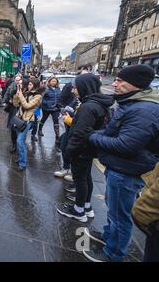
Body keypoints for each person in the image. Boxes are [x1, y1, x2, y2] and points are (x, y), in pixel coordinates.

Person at [84, 65, 159, 262]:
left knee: (120, 215)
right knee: (113, 207)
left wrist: (92, 137)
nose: (114, 84)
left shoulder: (144, 110)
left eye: (119, 81)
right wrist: (99, 134)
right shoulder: (135, 104)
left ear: (135, 84)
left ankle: (113, 253)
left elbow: (126, 144)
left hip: (127, 170)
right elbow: (115, 132)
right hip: (121, 167)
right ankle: (109, 236)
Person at [56, 74, 114, 224]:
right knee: (86, 177)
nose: (73, 91)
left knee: (80, 179)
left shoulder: (88, 107)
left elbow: (80, 133)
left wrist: (70, 150)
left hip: (81, 150)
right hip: (88, 150)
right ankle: (86, 206)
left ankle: (78, 210)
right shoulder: (96, 103)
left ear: (84, 87)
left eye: (76, 88)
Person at [13, 78, 43, 171]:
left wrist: (21, 95)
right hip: (20, 119)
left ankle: (23, 163)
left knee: (20, 140)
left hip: (28, 120)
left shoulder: (38, 96)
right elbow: (16, 104)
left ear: (35, 85)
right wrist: (17, 95)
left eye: (31, 84)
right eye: (28, 84)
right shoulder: (26, 93)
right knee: (20, 140)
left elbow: (27, 106)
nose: (29, 86)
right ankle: (20, 158)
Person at [38, 77, 62, 145]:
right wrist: (46, 103)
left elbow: (59, 98)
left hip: (55, 109)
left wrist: (59, 104)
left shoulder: (58, 89)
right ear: (49, 82)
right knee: (43, 119)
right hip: (47, 108)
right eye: (52, 81)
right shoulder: (46, 89)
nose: (54, 82)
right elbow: (41, 97)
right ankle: (40, 130)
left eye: (55, 81)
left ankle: (57, 136)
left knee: (56, 121)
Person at [3, 75, 23, 153]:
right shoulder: (12, 86)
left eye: (19, 80)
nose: (17, 81)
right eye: (16, 80)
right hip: (13, 109)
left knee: (20, 127)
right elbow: (7, 94)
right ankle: (14, 144)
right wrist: (5, 101)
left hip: (21, 110)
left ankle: (19, 143)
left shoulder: (24, 88)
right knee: (13, 128)